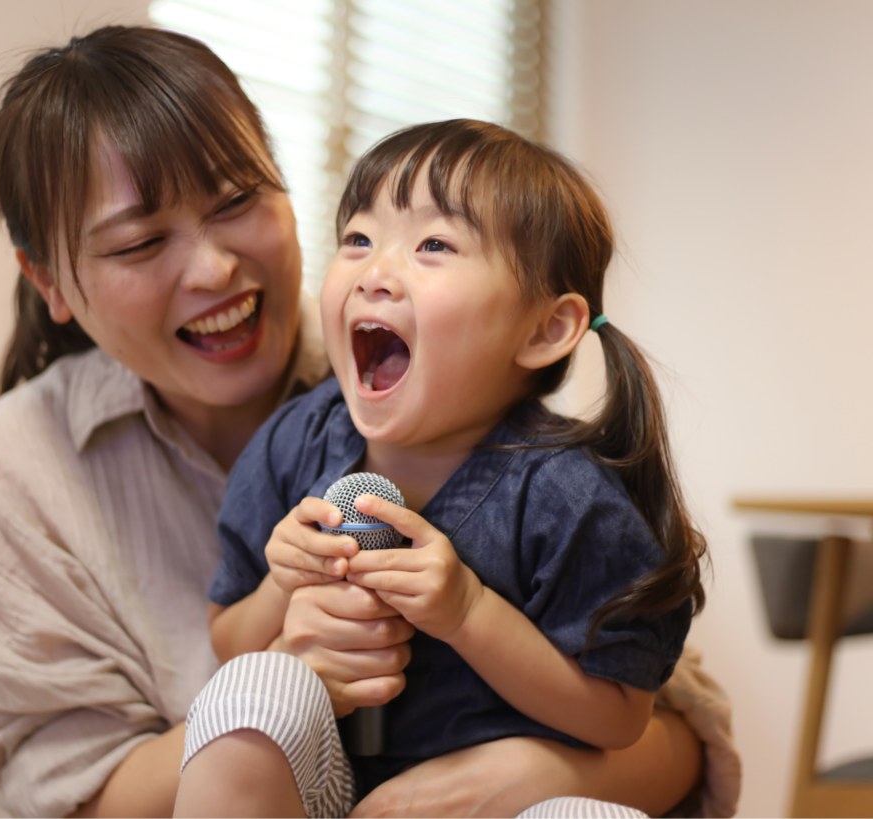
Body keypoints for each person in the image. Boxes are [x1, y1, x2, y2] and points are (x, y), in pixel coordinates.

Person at [0, 25, 734, 819]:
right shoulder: (10, 474)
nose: (214, 268)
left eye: (237, 199)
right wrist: (280, 674)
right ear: (49, 281)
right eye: (139, 242)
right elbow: (75, 793)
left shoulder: (480, 419)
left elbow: (660, 709)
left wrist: (534, 770)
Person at [176, 120, 715, 818]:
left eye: (434, 245)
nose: (375, 272)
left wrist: (468, 611)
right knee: (251, 687)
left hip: (494, 800)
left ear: (546, 329)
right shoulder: (297, 440)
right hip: (324, 792)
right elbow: (227, 638)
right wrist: (284, 583)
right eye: (358, 239)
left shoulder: (571, 499)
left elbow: (617, 718)